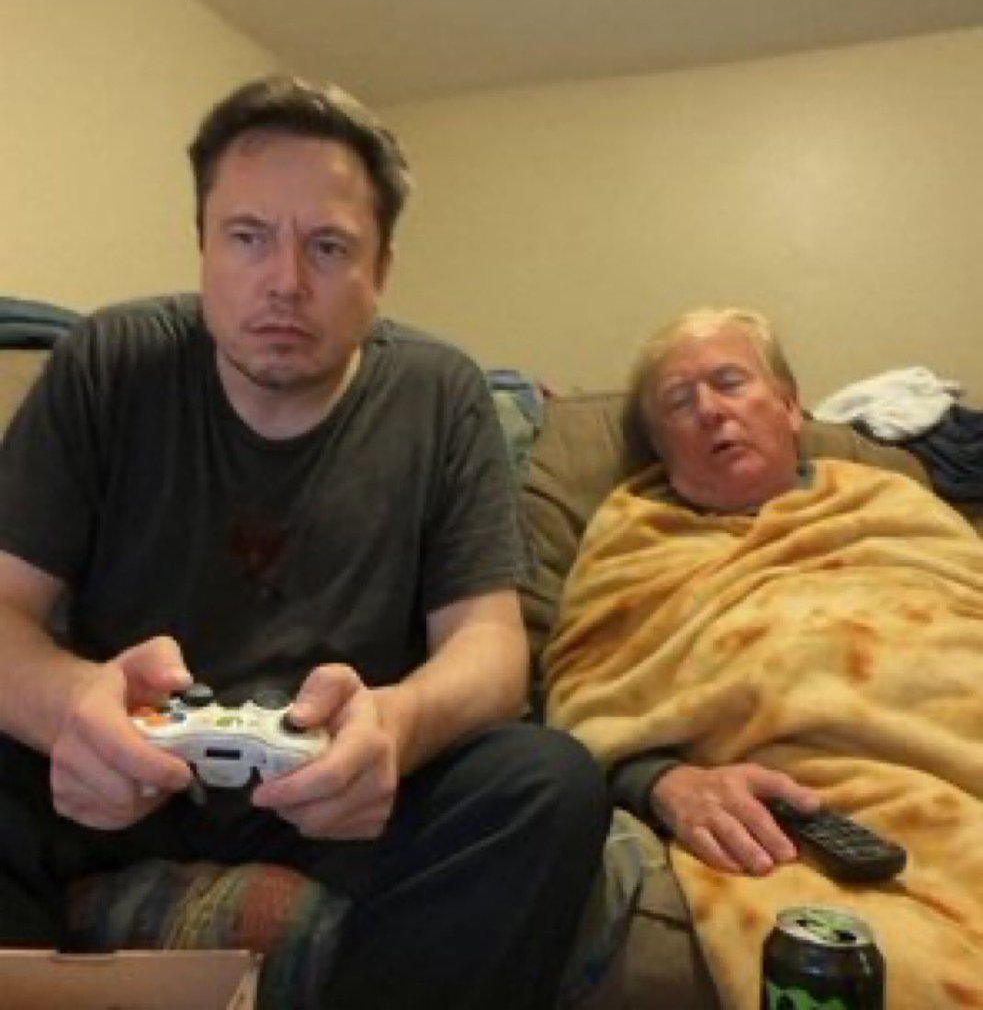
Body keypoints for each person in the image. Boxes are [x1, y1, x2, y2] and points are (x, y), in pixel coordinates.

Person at [0, 75, 609, 1010]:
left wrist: (396, 726)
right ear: (202, 245)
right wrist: (71, 705)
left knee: (547, 783)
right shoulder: (108, 360)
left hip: (336, 781)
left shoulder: (442, 393)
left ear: (381, 268)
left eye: (328, 246)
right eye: (247, 237)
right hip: (129, 763)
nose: (283, 281)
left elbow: (490, 648)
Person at [544, 307, 983, 1010]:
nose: (710, 411)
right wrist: (660, 780)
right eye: (679, 403)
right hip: (826, 815)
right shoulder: (635, 541)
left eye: (730, 382)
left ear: (788, 405)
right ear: (660, 447)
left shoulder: (895, 499)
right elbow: (583, 701)